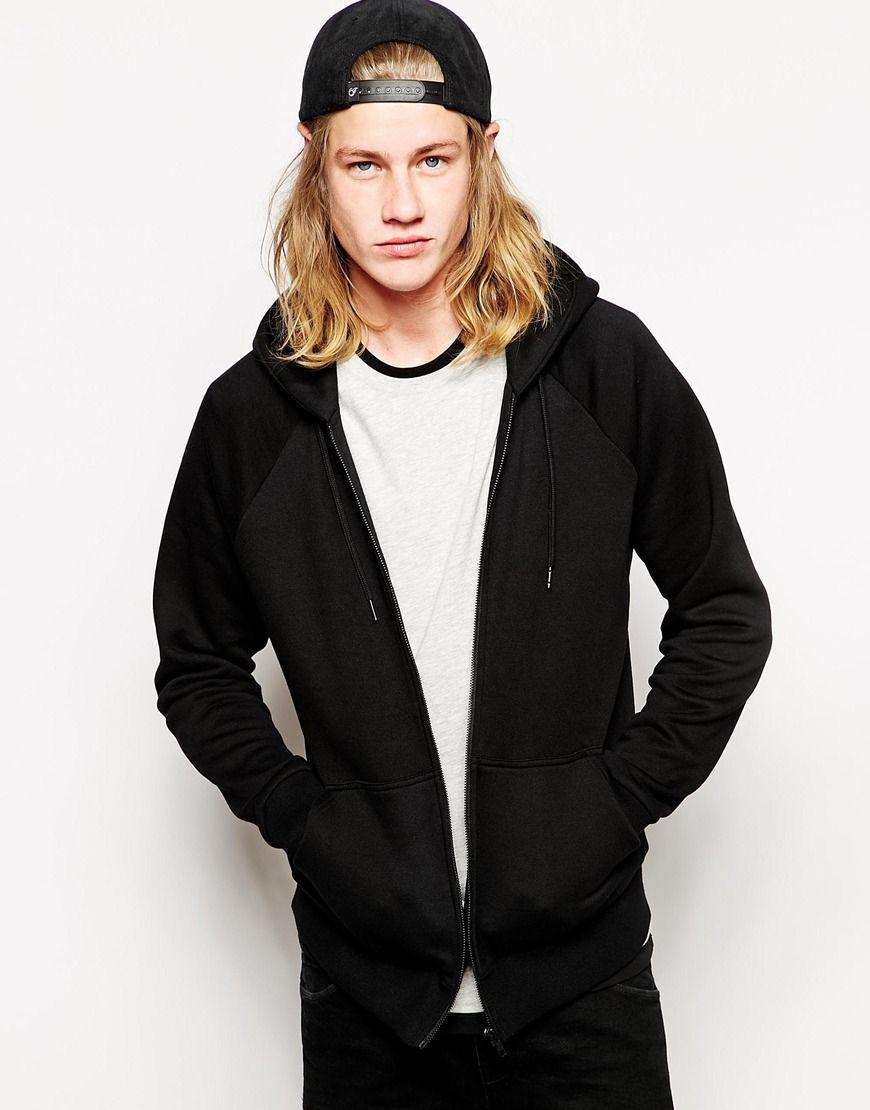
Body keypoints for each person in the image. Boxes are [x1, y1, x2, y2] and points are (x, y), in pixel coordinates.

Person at [151, 0, 773, 1105]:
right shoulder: (252, 419)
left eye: (433, 160)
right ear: (315, 163)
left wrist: (613, 802)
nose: (402, 205)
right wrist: (311, 824)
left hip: (583, 992)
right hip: (370, 1004)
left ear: (484, 154)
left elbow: (724, 608)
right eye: (365, 164)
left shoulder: (602, 369)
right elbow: (198, 667)